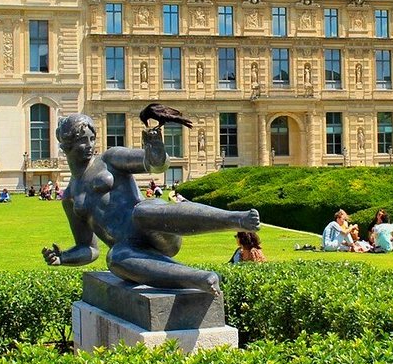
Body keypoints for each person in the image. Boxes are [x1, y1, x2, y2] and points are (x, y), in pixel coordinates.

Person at [44, 112, 258, 293]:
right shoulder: (71, 196)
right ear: (67, 144)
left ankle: (237, 219)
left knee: (141, 211)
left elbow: (153, 164)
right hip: (132, 248)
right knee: (114, 259)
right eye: (83, 140)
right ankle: (201, 279)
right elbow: (89, 248)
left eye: (92, 138)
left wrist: (155, 150)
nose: (90, 145)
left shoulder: (110, 159)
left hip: (157, 228)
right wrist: (63, 258)